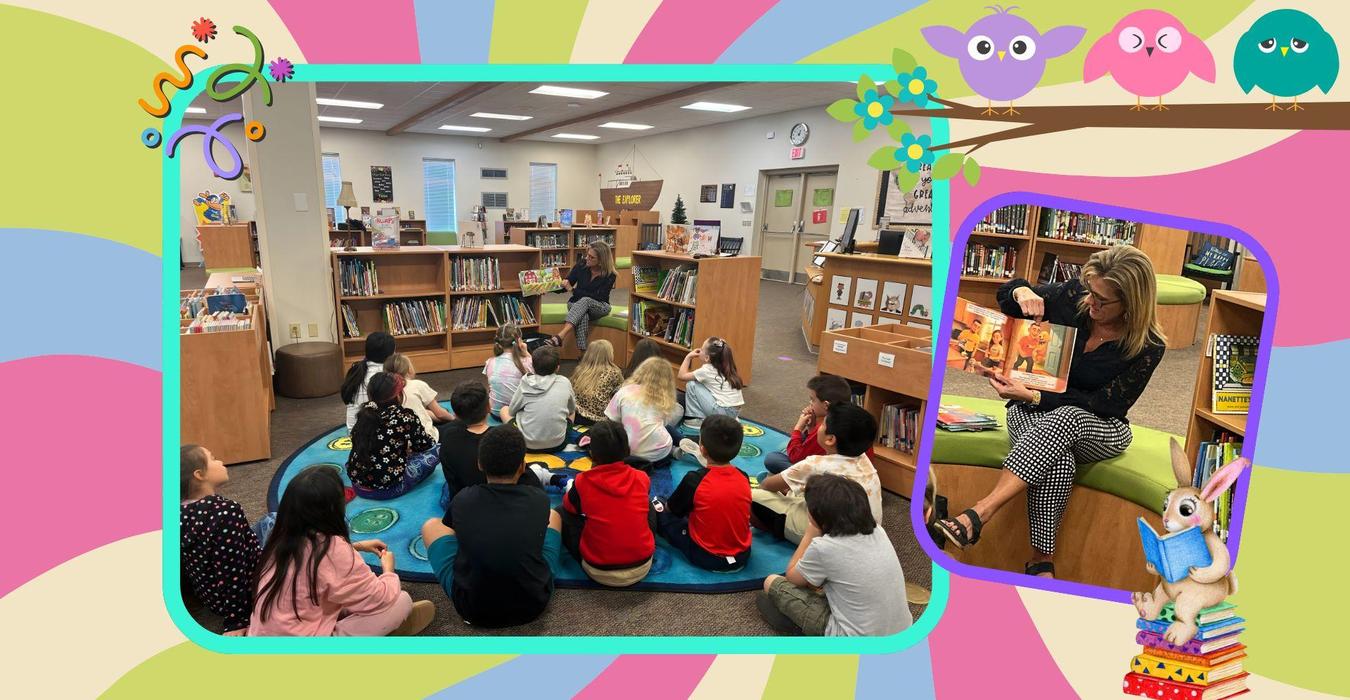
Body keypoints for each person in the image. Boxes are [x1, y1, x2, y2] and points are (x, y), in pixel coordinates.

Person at [935, 245, 1166, 579]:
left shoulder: (1148, 347)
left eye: (1102, 300)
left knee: (1066, 417)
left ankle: (982, 511)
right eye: (1091, 292)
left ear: (1131, 303)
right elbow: (1007, 294)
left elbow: (1103, 405)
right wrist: (1021, 290)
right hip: (1032, 409)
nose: (1091, 302)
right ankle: (1040, 563)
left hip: (1098, 425)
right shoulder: (1075, 295)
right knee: (1059, 461)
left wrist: (1035, 398)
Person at [249, 465, 435, 636]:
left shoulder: (279, 537)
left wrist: (357, 546)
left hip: (264, 637)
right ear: (334, 508)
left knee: (345, 594)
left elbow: (314, 564)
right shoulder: (332, 549)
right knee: (400, 600)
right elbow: (381, 598)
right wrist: (388, 570)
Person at [420, 425, 563, 628]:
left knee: (431, 526)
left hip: (470, 608)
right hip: (534, 604)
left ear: (480, 464)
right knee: (554, 516)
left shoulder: (463, 499)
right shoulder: (539, 499)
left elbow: (451, 531)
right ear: (522, 467)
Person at [758, 473, 912, 636]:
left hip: (853, 642)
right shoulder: (878, 531)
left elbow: (792, 576)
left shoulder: (823, 547)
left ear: (817, 516)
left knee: (770, 583)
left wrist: (812, 531)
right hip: (902, 632)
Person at [751, 403, 882, 544]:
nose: (819, 426)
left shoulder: (816, 464)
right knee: (798, 487)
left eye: (823, 424)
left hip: (827, 540)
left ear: (830, 439)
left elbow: (767, 485)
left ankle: (777, 529)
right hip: (867, 537)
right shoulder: (864, 459)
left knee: (748, 496)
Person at [180, 444, 270, 634]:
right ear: (199, 475)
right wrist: (237, 620)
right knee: (277, 522)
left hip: (210, 595)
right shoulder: (226, 512)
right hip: (247, 591)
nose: (220, 461)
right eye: (213, 458)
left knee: (268, 522)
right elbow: (231, 571)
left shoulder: (178, 512)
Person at [558, 420, 656, 587]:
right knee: (649, 506)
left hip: (597, 570)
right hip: (643, 564)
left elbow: (569, 508)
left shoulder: (583, 481)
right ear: (628, 451)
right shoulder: (641, 477)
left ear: (592, 454)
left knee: (560, 512)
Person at [655, 415, 752, 571]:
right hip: (742, 556)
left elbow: (671, 510)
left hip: (706, 556)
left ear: (702, 448)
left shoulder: (695, 480)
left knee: (657, 504)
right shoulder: (743, 477)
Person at [437, 381, 543, 517]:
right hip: (503, 502)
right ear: (488, 407)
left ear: (456, 414)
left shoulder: (449, 436)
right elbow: (530, 482)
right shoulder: (504, 439)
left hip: (462, 500)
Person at [346, 372, 439, 500]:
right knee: (438, 450)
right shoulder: (405, 415)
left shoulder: (366, 412)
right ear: (398, 394)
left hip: (358, 485)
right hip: (387, 488)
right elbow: (425, 445)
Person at [763, 374, 853, 475]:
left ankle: (787, 484)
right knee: (790, 444)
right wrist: (811, 428)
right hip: (842, 468)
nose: (810, 403)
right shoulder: (848, 417)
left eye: (813, 400)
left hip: (824, 475)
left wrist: (798, 428)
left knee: (773, 459)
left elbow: (796, 457)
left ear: (826, 405)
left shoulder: (826, 427)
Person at [606, 356, 684, 469]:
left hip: (626, 452)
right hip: (659, 455)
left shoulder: (623, 392)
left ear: (641, 371)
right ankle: (677, 447)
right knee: (662, 427)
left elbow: (611, 422)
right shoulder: (665, 400)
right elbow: (664, 424)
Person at [501, 345, 575, 452]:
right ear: (557, 367)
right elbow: (571, 409)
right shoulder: (565, 382)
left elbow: (512, 411)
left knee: (504, 410)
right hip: (558, 444)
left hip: (526, 444)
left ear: (533, 366)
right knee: (572, 412)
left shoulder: (525, 382)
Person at [549, 242, 617, 351]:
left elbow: (598, 297)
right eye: (587, 255)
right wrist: (547, 288)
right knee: (583, 316)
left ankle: (561, 335)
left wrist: (572, 290)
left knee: (586, 300)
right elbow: (567, 284)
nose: (587, 258)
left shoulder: (610, 275)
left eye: (591, 257)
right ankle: (583, 354)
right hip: (576, 304)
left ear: (601, 261)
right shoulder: (581, 265)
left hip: (599, 306)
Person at [677, 336, 745, 428]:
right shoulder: (729, 367)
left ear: (707, 358)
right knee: (701, 383)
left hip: (722, 413)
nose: (699, 350)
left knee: (692, 384)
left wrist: (688, 357)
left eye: (701, 349)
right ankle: (728, 420)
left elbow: (681, 376)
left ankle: (696, 419)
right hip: (734, 412)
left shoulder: (706, 370)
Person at [383, 352, 453, 440]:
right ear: (409, 370)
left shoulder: (384, 389)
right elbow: (440, 414)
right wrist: (454, 419)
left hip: (396, 438)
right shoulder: (417, 385)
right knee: (456, 425)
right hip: (423, 438)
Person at [340, 332, 395, 431]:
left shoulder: (357, 371)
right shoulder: (386, 378)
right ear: (390, 355)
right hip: (377, 438)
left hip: (355, 435)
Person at [484, 324, 533, 420]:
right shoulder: (527, 361)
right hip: (519, 414)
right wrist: (526, 353)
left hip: (495, 413)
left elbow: (490, 387)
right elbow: (536, 382)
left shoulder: (490, 362)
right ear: (519, 341)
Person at [570, 339, 625, 426]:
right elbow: (621, 392)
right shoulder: (614, 372)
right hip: (599, 420)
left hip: (576, 415)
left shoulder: (580, 369)